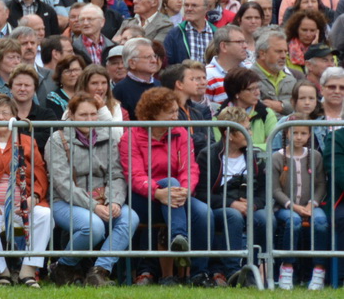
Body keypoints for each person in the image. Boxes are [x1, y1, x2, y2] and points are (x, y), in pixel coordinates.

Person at [123, 86, 216, 286]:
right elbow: (134, 174)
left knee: (204, 213)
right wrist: (158, 192)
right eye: (171, 112)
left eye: (176, 111)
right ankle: (179, 237)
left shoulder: (180, 133)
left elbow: (189, 168)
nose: (176, 116)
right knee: (170, 181)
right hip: (144, 199)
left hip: (176, 199)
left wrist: (185, 190)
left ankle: (200, 274)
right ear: (153, 114)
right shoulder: (131, 136)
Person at [46, 93, 139, 285]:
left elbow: (116, 175)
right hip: (64, 201)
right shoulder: (57, 139)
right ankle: (63, 266)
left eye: (93, 114)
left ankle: (99, 271)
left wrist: (114, 201)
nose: (89, 119)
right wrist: (93, 206)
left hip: (103, 200)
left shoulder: (108, 137)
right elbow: (63, 184)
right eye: (83, 115)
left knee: (130, 218)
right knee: (93, 227)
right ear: (70, 115)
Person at [0, 93, 52, 287]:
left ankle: (27, 271)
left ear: (15, 116)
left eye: (6, 113)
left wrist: (35, 197)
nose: (1, 118)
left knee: (44, 215)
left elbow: (40, 173)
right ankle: (1, 273)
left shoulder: (27, 141)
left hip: (21, 204)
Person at [200, 105, 265, 283]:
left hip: (250, 204)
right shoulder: (208, 155)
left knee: (266, 219)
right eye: (245, 130)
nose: (250, 134)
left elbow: (263, 191)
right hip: (221, 207)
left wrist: (254, 204)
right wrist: (231, 203)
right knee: (233, 216)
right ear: (229, 134)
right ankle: (233, 272)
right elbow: (201, 193)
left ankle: (256, 270)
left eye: (249, 129)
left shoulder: (255, 155)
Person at [267, 121, 331, 290]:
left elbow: (320, 184)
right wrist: (292, 205)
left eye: (303, 133)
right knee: (293, 221)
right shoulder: (277, 157)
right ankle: (287, 268)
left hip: (311, 206)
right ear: (287, 134)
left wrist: (312, 203)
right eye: (295, 133)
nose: (299, 137)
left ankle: (319, 269)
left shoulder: (315, 156)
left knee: (321, 222)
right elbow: (275, 189)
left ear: (309, 135)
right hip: (285, 208)